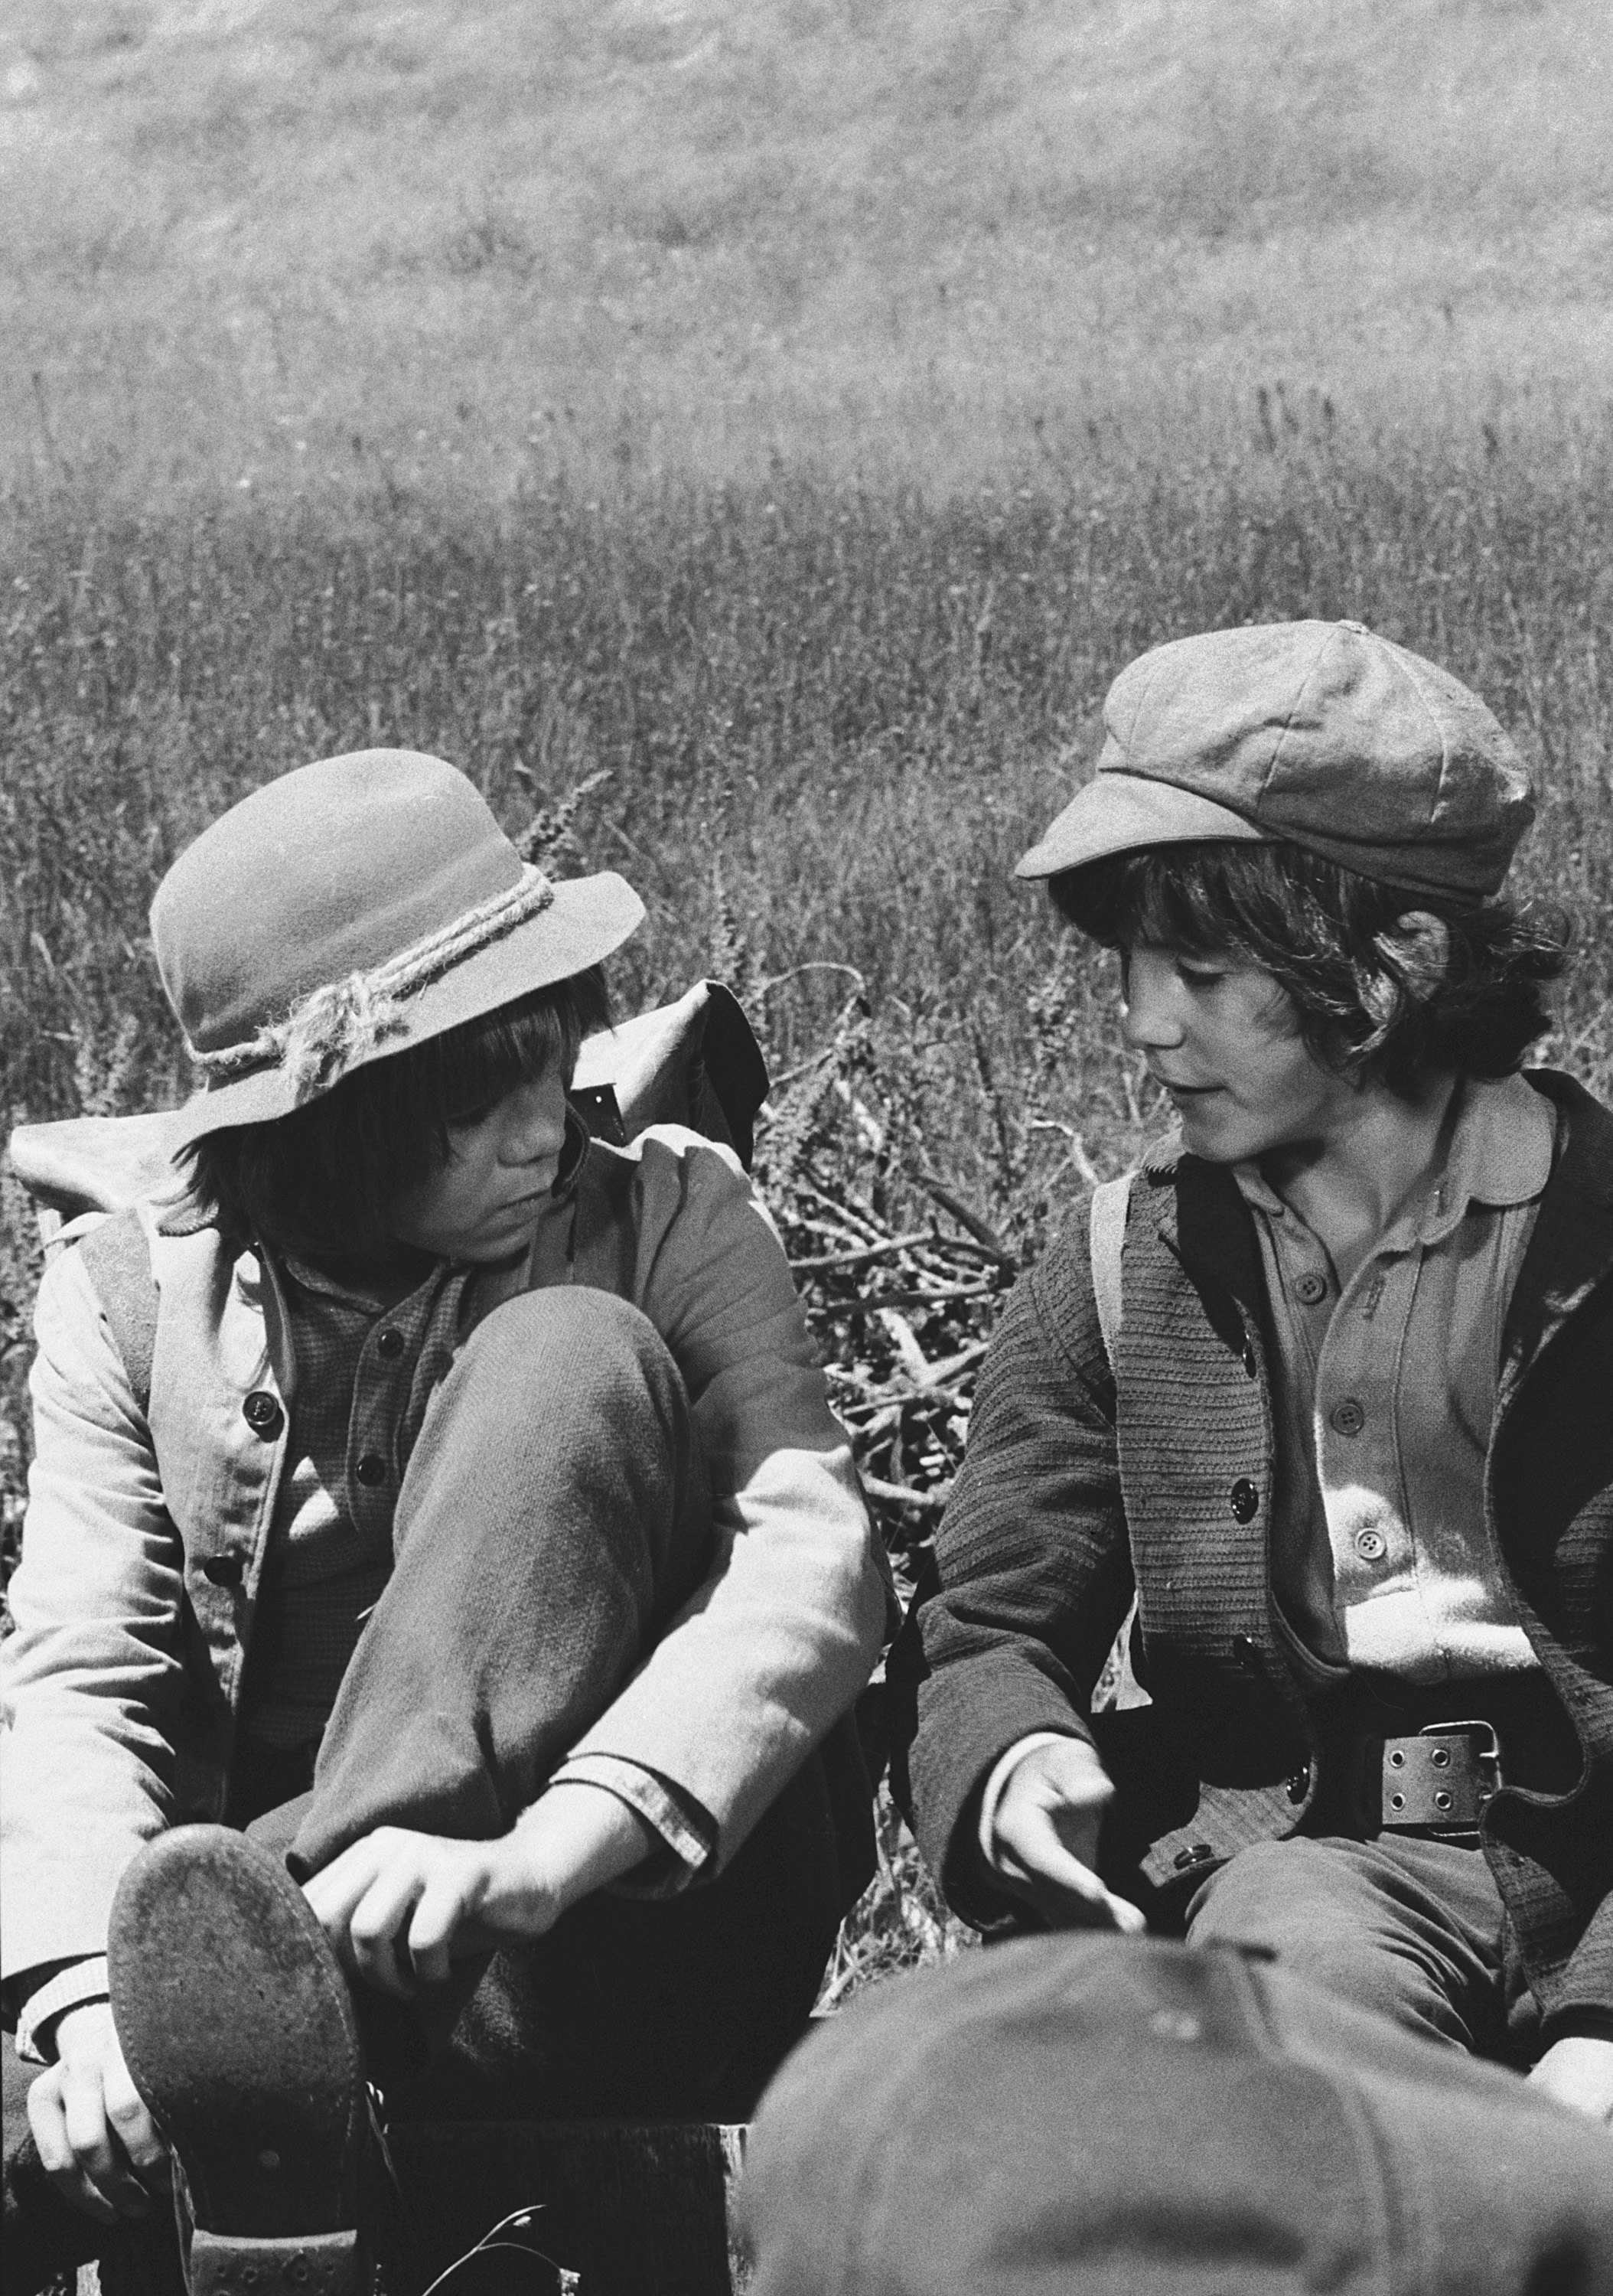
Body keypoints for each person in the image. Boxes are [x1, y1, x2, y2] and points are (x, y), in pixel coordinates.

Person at [2, 749, 890, 2294]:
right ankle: (230, 2065)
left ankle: (258, 2031)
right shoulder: (126, 1296)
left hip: (608, 1918)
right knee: (57, 2078)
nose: (540, 1124)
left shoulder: (669, 1207)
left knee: (565, 1357)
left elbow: (803, 1555)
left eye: (555, 1055)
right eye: (472, 1097)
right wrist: (90, 2000)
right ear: (324, 1120)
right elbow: (93, 1678)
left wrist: (554, 1847)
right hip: (237, 1990)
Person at [893, 619, 1613, 2128]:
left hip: (1597, 1872)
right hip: (1292, 1879)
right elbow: (989, 1624)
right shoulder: (1115, 1267)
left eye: (1201, 969)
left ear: (1390, 966)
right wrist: (1014, 1756)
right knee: (1270, 2014)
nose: (1140, 1020)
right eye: (1131, 964)